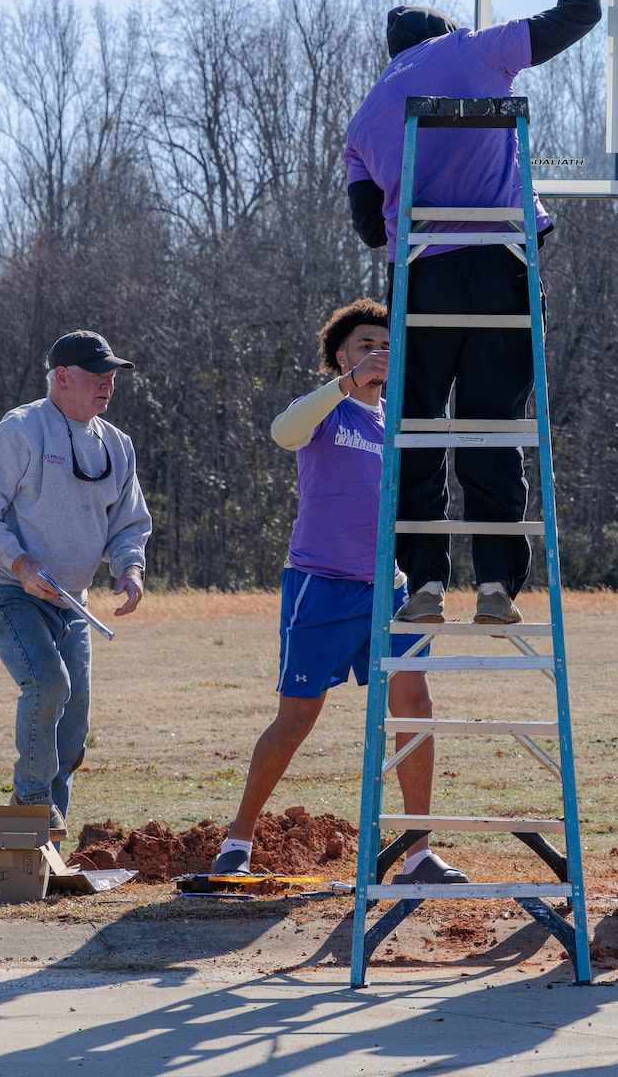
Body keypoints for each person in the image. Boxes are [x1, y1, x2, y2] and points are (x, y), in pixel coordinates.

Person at [343, 0, 602, 627]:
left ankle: (424, 582)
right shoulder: (476, 48)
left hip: (420, 276)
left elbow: (369, 228)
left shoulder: (365, 114)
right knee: (492, 423)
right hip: (499, 269)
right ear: (449, 32)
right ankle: (494, 586)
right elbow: (576, 16)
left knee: (419, 424)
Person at [209, 300, 462, 884]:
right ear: (340, 356)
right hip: (320, 587)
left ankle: (419, 852)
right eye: (365, 344)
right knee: (297, 720)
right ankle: (238, 839)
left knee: (414, 706)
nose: (378, 353)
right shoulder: (327, 409)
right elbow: (283, 431)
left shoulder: (400, 420)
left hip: (389, 593)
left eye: (386, 344)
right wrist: (345, 385)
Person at [0, 331, 152, 833]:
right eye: (97, 374)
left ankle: (45, 853)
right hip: (9, 593)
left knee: (72, 733)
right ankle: (31, 804)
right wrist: (21, 564)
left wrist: (130, 567)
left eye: (112, 375)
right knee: (48, 685)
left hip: (73, 604)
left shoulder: (118, 445)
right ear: (61, 377)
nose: (108, 384)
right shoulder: (19, 432)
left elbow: (129, 522)